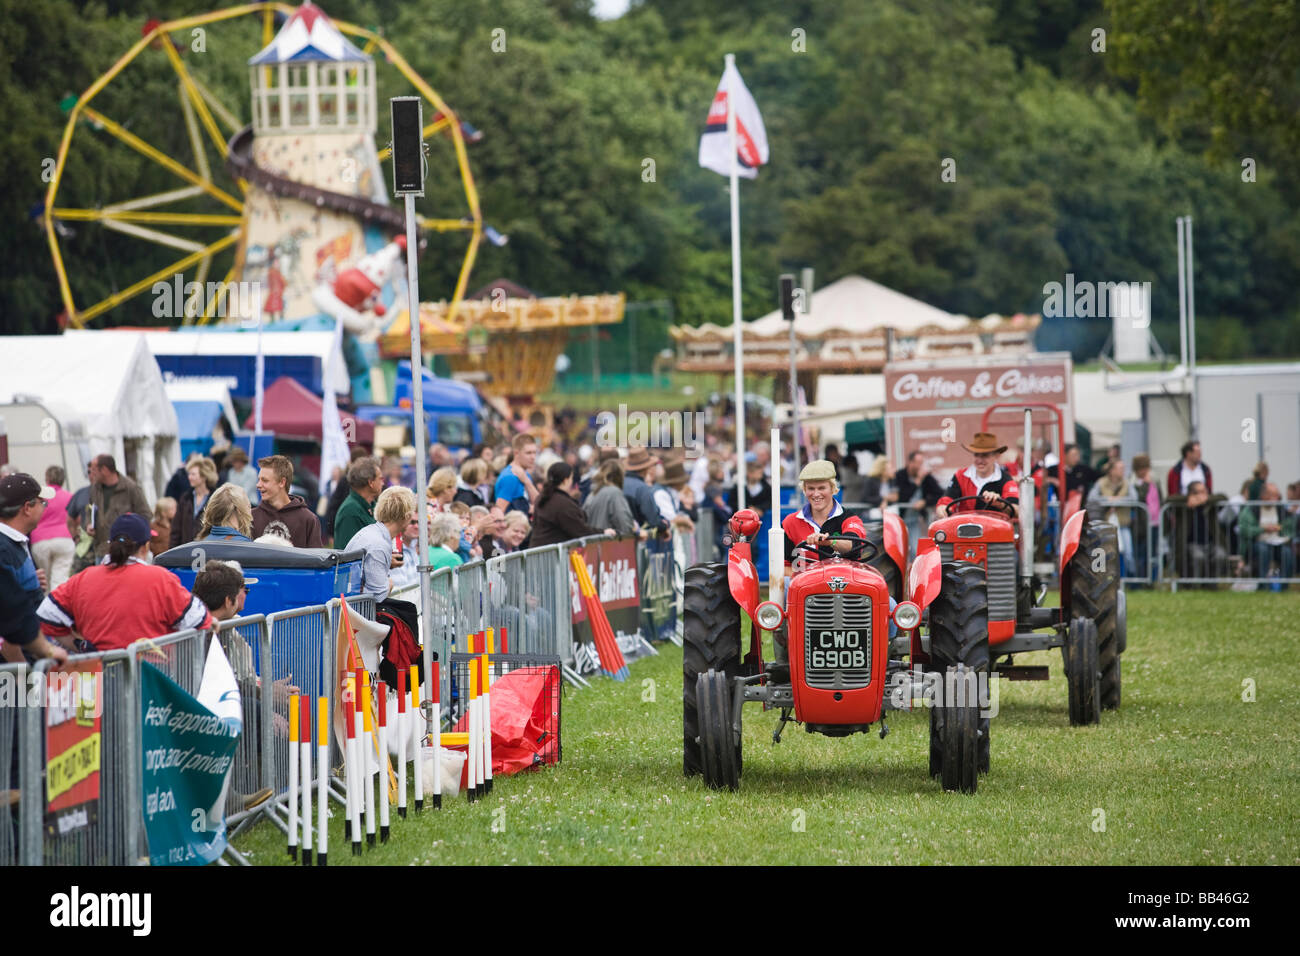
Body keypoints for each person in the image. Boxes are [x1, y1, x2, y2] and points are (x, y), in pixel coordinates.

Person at [37, 514, 211, 652]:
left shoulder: (82, 579)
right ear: (145, 547)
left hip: (98, 681)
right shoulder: (161, 579)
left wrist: (80, 647)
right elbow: (200, 620)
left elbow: (45, 615)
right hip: (151, 680)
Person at [0, 474, 68, 664]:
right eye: (42, 503)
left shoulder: (14, 543)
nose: (44, 508)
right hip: (15, 668)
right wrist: (27, 676)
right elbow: (7, 636)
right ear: (27, 508)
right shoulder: (4, 548)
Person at [781, 460, 868, 572]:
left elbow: (851, 545)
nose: (816, 494)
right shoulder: (790, 522)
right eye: (811, 488)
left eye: (822, 488)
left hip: (844, 584)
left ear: (833, 488)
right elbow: (785, 566)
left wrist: (831, 542)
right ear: (804, 490)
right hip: (807, 586)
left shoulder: (850, 519)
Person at [348, 486, 416, 600]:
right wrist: (389, 584)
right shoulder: (378, 544)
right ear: (406, 516)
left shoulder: (372, 532)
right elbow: (377, 596)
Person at [936, 432, 1019, 518]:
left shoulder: (1006, 479)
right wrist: (942, 508)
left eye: (985, 455)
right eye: (976, 455)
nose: (979, 460)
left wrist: (1000, 504)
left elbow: (1016, 511)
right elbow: (947, 499)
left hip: (994, 529)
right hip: (964, 527)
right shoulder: (960, 476)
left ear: (996, 456)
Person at [252, 454, 324, 548]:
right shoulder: (251, 517)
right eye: (259, 479)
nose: (258, 485)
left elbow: (316, 560)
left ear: (282, 482)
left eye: (264, 480)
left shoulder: (309, 520)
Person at [89, 454, 152, 558]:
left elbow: (145, 515)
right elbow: (90, 509)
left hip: (126, 552)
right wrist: (89, 523)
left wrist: (134, 539)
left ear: (104, 470)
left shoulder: (130, 488)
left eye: (94, 469)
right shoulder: (95, 489)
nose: (91, 473)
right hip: (101, 550)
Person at [531, 462, 606, 547]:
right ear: (565, 480)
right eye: (571, 478)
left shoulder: (543, 497)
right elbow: (580, 530)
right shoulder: (562, 504)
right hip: (552, 555)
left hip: (539, 550)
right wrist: (603, 532)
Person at [1087, 458, 1136, 574]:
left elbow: (1134, 498)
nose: (1123, 471)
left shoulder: (1127, 483)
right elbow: (1091, 498)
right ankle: (1104, 577)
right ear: (1112, 470)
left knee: (1128, 553)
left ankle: (1128, 579)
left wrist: (1119, 500)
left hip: (1123, 524)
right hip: (1105, 525)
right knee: (1104, 552)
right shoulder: (1101, 483)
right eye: (1120, 468)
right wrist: (1107, 500)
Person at [1237, 483, 1294, 583]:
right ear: (1264, 496)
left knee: (1287, 552)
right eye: (1273, 495)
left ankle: (1284, 585)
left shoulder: (1280, 509)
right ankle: (1263, 585)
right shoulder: (1251, 509)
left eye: (1277, 495)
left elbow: (1290, 527)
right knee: (1263, 550)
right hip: (1256, 544)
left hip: (1277, 543)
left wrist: (1282, 530)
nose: (1277, 499)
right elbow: (1244, 529)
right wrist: (1263, 529)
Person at [30, 465, 75, 593]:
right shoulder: (70, 497)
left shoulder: (40, 497)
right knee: (60, 578)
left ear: (47, 478)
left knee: (44, 580)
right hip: (64, 540)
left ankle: (45, 607)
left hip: (40, 540)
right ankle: (59, 605)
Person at [894, 451, 944, 558]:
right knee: (899, 550)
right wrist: (917, 481)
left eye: (922, 463)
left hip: (918, 519)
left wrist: (925, 502)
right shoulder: (900, 476)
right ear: (910, 462)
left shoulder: (926, 477)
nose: (920, 466)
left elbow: (939, 493)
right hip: (901, 518)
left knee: (916, 548)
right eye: (918, 463)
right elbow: (903, 497)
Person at [170, 455, 218, 548]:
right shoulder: (185, 498)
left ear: (204, 476)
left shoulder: (214, 499)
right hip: (185, 552)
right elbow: (176, 529)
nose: (189, 477)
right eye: (189, 474)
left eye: (193, 474)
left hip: (206, 551)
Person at [323, 447, 370, 539]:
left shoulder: (345, 480)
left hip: (349, 529)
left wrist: (331, 532)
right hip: (353, 530)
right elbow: (334, 507)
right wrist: (331, 532)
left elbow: (333, 506)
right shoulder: (346, 481)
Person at [1130, 454, 1163, 580]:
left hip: (1155, 522)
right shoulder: (1133, 483)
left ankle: (1152, 580)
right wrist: (1145, 485)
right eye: (1142, 468)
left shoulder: (1155, 481)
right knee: (1141, 553)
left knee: (1153, 553)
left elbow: (1160, 499)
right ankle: (1140, 580)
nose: (1145, 471)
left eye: (1146, 468)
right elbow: (1139, 498)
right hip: (1140, 524)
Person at [584, 458, 637, 535]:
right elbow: (625, 524)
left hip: (593, 543)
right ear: (620, 475)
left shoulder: (592, 493)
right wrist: (635, 528)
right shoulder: (614, 493)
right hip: (608, 544)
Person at [622, 446, 667, 535]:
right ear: (648, 468)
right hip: (636, 542)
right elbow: (653, 521)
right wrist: (665, 525)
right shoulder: (642, 488)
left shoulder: (620, 483)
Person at [492, 432, 539, 515]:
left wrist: (527, 481)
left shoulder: (525, 475)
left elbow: (539, 504)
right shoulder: (510, 477)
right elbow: (499, 512)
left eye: (534, 452)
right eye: (528, 453)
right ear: (516, 453)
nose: (533, 457)